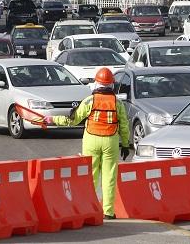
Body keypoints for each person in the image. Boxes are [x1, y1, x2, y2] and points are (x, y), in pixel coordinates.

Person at [44, 67, 130, 220]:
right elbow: (123, 125)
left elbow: (73, 119)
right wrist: (125, 144)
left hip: (91, 139)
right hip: (111, 140)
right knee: (109, 177)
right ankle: (108, 212)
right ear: (112, 84)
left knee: (90, 176)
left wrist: (53, 120)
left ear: (96, 83)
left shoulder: (89, 100)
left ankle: (88, 208)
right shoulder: (117, 102)